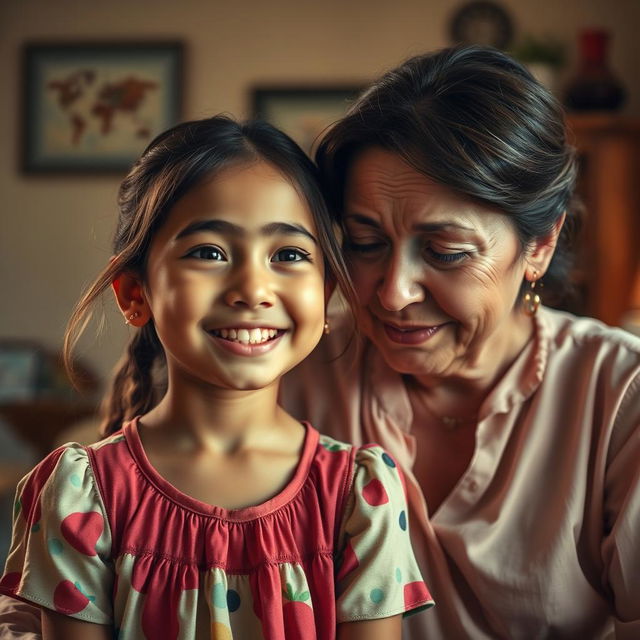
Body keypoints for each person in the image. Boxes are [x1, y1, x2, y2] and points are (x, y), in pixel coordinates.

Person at [0, 115, 433, 639]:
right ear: (135, 294)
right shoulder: (79, 493)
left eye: (289, 255)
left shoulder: (360, 496)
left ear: (326, 300)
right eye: (209, 252)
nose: (253, 288)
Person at [278, 46, 640, 638]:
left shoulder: (619, 394)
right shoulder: (294, 376)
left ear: (539, 247)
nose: (393, 293)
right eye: (365, 243)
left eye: (446, 253)